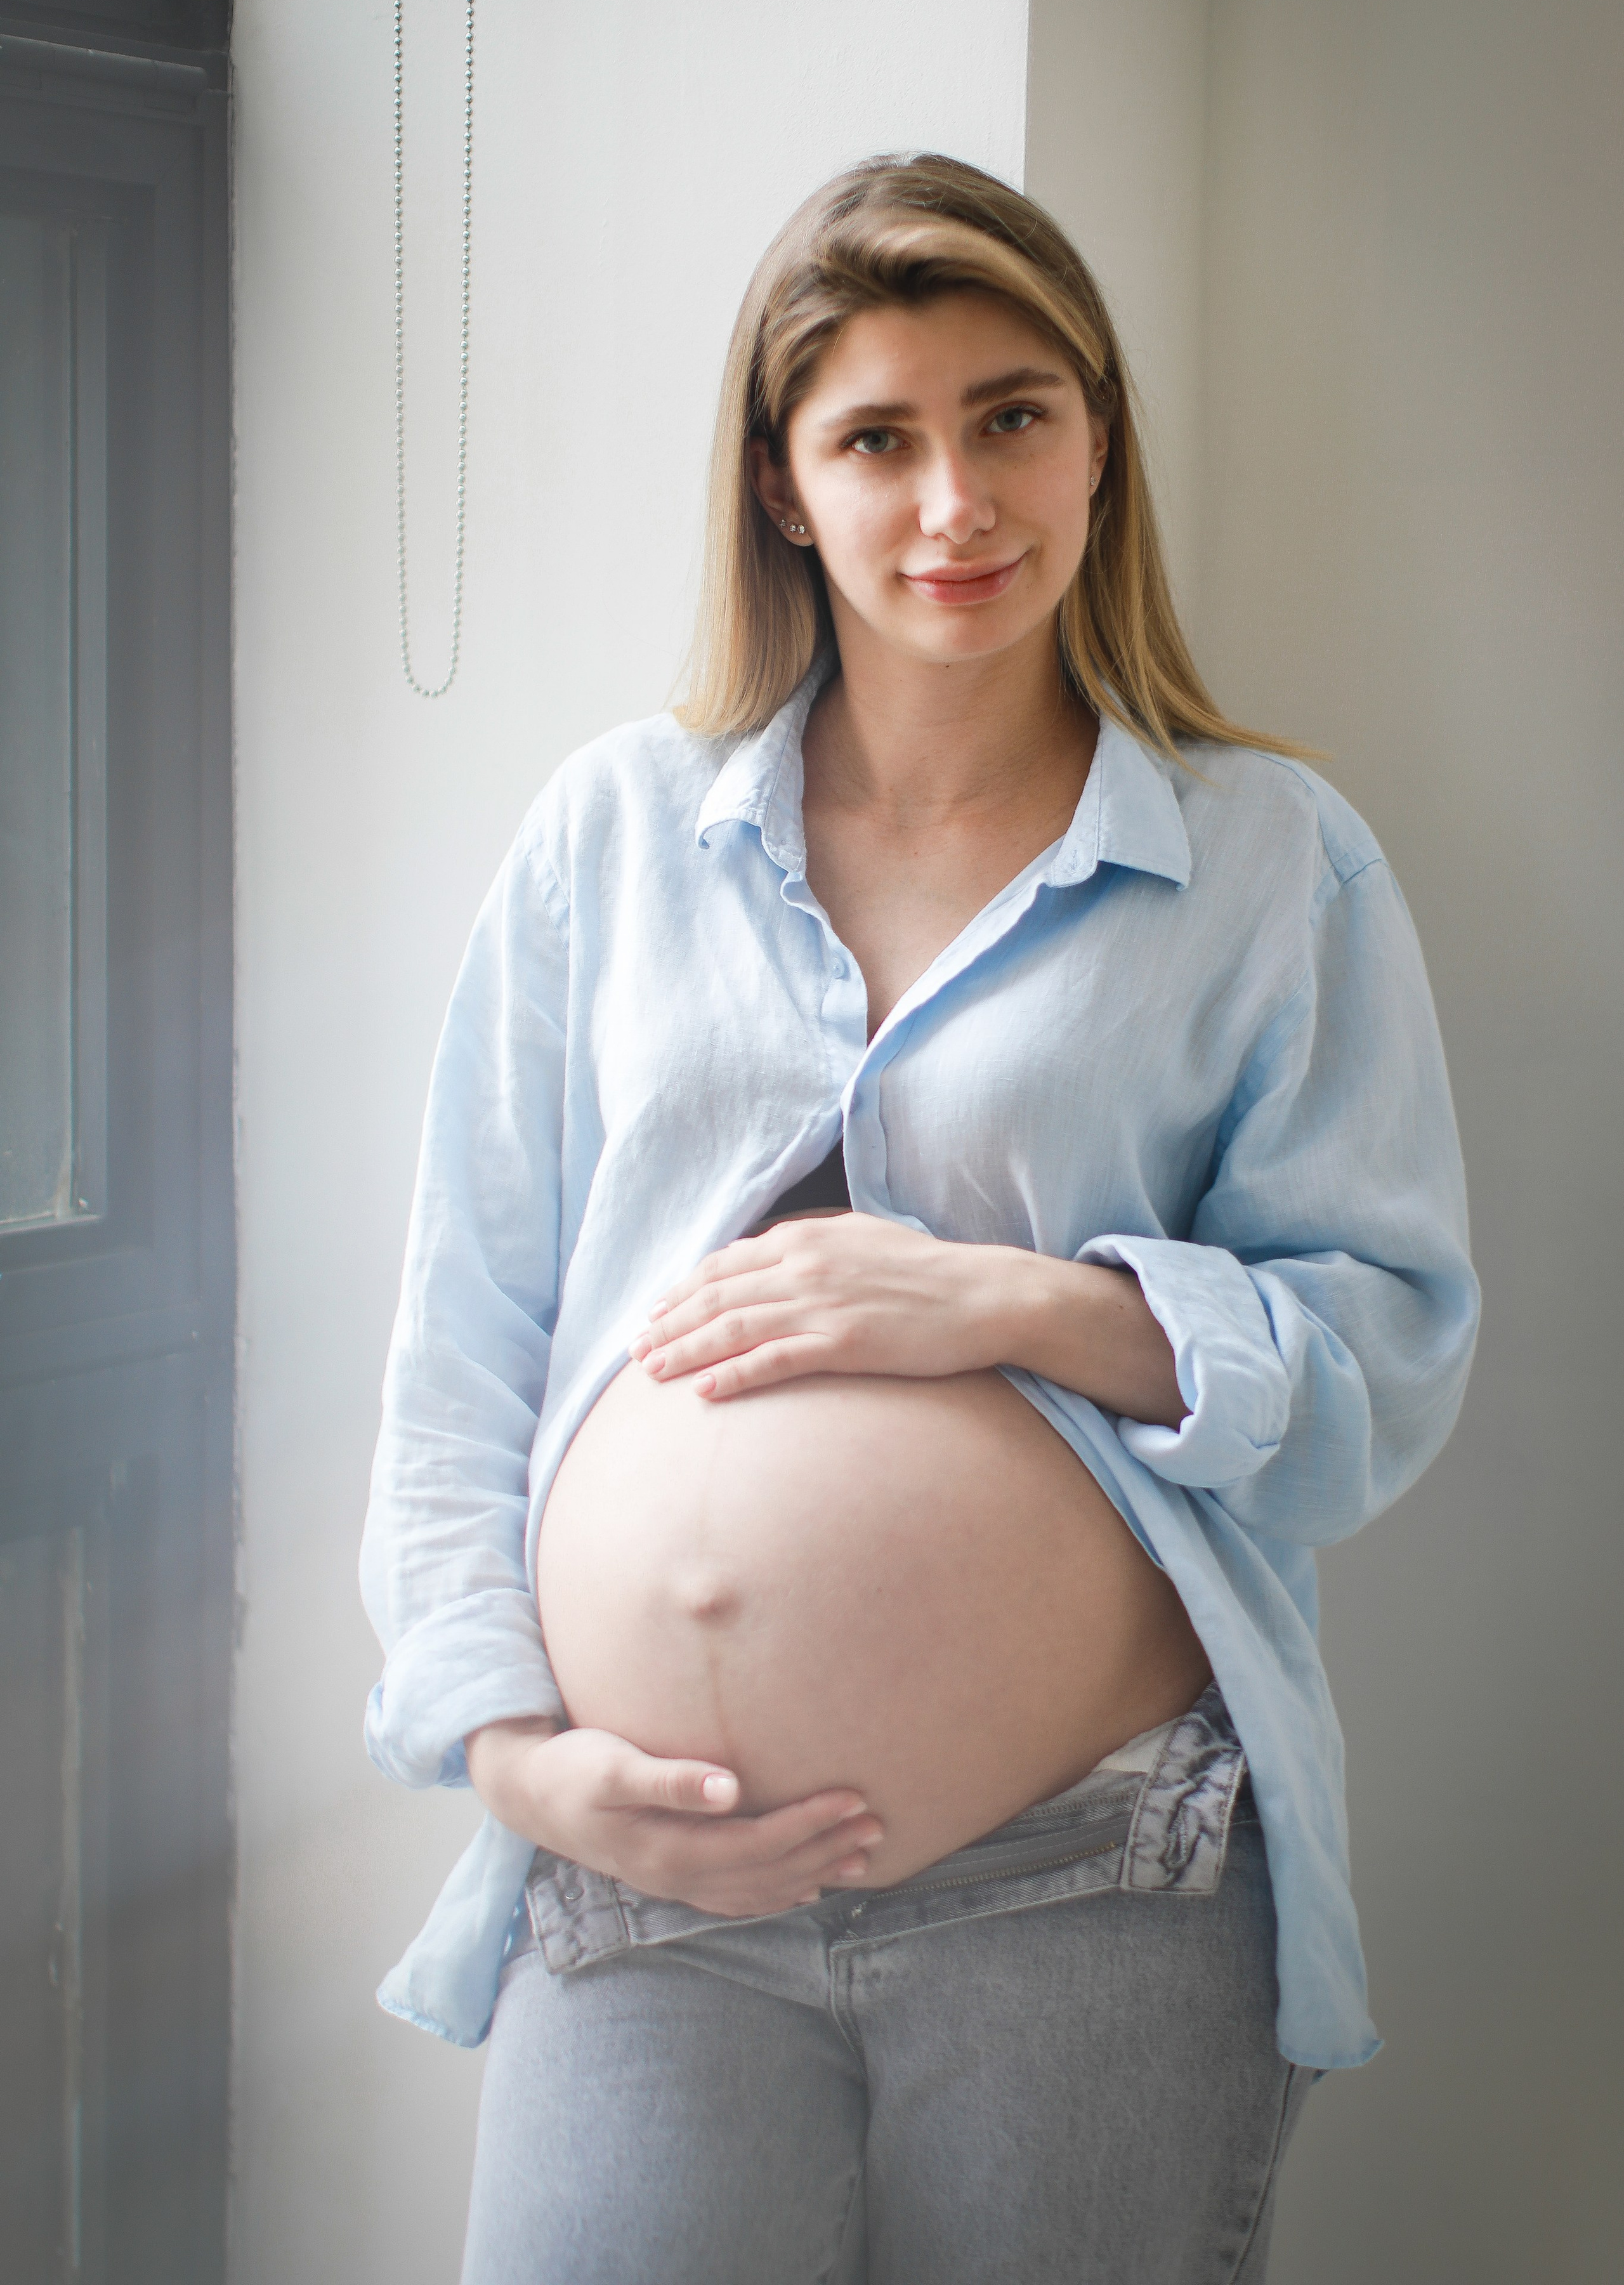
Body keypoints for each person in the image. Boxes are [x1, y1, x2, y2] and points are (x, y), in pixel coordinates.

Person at [361, 154, 1479, 2284]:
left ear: (1098, 442)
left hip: (1095, 1882)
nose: (957, 503)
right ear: (786, 485)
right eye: (878, 437)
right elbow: (461, 1350)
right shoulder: (610, 839)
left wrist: (1014, 1302)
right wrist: (512, 1754)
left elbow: (1379, 1366)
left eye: (1014, 417)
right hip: (639, 1894)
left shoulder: (1269, 865)